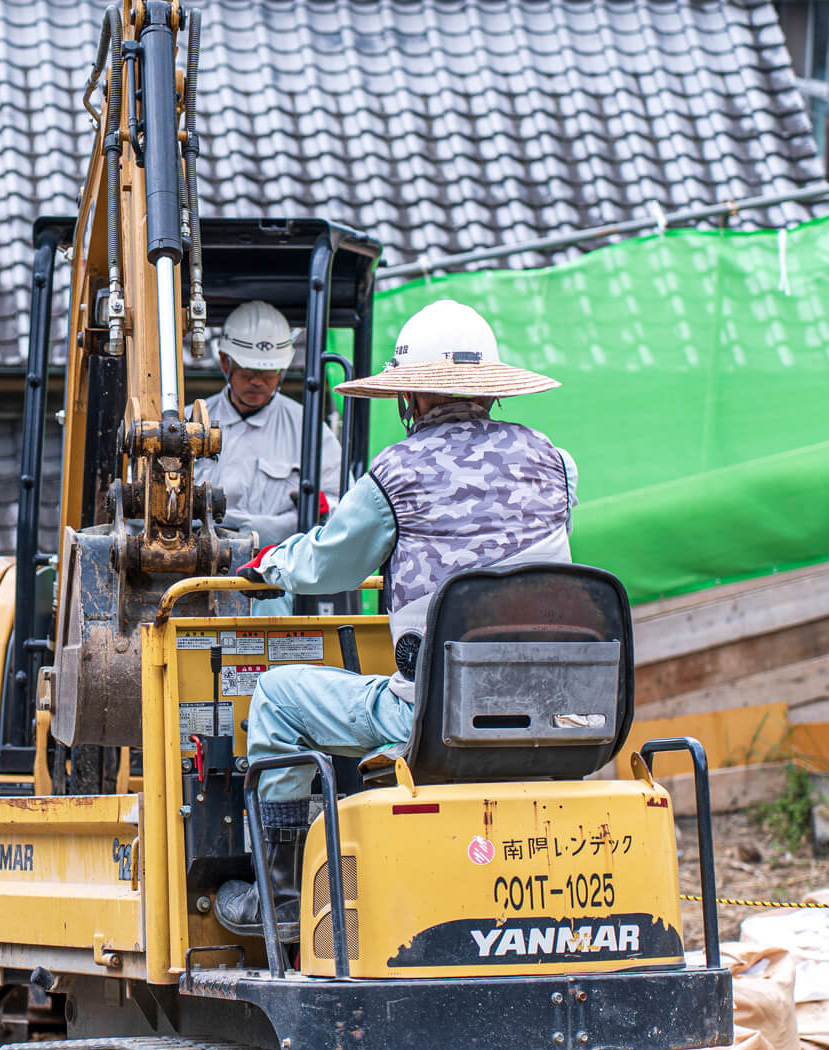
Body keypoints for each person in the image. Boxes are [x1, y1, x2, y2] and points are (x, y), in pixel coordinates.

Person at [214, 298, 578, 939]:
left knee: (275, 695)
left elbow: (329, 567)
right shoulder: (557, 463)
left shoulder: (397, 472)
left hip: (434, 712)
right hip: (555, 706)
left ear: (408, 396)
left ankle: (285, 900)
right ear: (489, 389)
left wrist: (269, 565)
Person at [196, 299, 341, 548]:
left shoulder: (308, 430)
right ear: (224, 362)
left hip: (279, 572)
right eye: (248, 371)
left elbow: (341, 503)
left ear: (283, 370)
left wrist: (323, 511)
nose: (257, 382)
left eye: (269, 373)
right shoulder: (189, 425)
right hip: (195, 567)